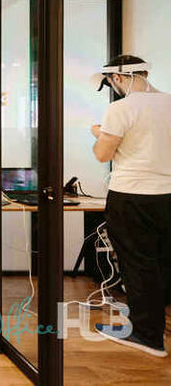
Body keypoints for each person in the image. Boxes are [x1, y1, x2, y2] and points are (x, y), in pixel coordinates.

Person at [89, 55, 171, 357]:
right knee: (161, 263)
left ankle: (147, 336)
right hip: (167, 195)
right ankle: (152, 327)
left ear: (118, 78)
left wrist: (98, 133)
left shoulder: (120, 108)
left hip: (132, 194)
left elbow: (103, 154)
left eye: (112, 83)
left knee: (138, 265)